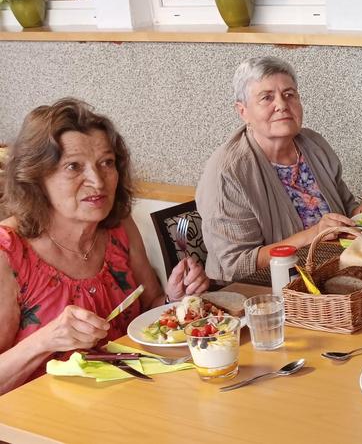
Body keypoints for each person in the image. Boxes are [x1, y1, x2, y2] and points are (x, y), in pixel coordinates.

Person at [0, 98, 210, 395]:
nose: (97, 181)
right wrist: (46, 340)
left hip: (132, 396)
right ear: (36, 177)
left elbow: (148, 309)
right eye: (74, 167)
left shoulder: (118, 227)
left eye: (106, 163)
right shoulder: (8, 253)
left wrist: (173, 300)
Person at [197, 56, 362, 282]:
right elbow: (237, 266)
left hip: (333, 275)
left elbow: (345, 210)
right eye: (267, 97)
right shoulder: (229, 173)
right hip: (265, 291)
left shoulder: (313, 144)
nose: (281, 105)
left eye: (289, 94)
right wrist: (314, 234)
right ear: (243, 111)